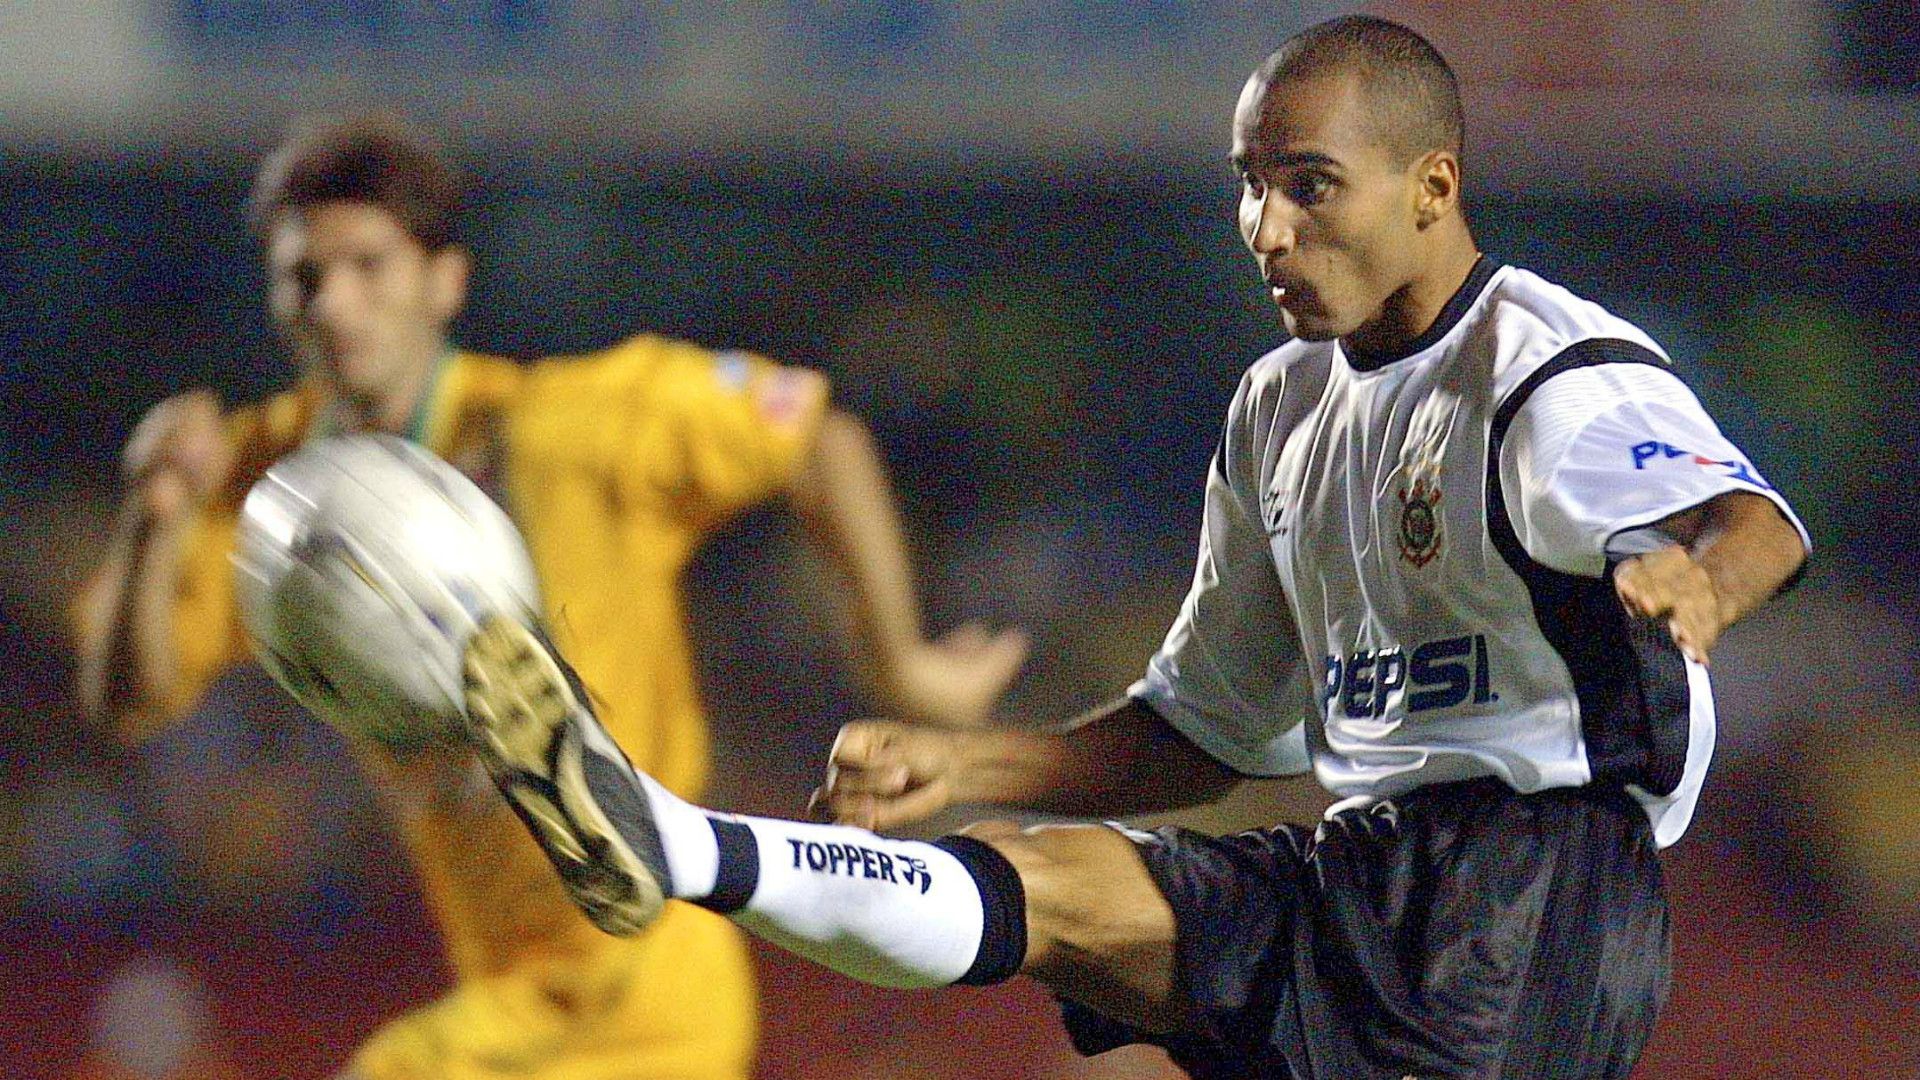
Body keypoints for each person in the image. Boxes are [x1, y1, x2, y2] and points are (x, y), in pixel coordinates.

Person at [456, 15, 1812, 1080]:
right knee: (1047, 885)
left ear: (1431, 186)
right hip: (1354, 856)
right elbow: (1202, 735)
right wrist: (967, 762)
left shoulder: (1536, 367)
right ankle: (665, 841)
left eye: (1311, 186)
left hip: (1531, 897)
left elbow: (1754, 521)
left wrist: (1701, 579)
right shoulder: (1282, 407)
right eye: (1250, 187)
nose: (1267, 230)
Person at [72, 114, 1030, 1080]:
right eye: (304, 277)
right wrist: (155, 518)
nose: (334, 304)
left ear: (447, 281)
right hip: (508, 990)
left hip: (649, 969)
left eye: (370, 266)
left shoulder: (571, 429)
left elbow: (815, 437)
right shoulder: (269, 489)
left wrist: (895, 657)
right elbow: (131, 699)